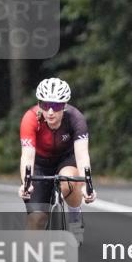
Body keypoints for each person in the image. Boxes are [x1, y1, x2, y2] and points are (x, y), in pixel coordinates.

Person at [18, 78, 96, 236]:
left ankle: (75, 217)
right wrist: (26, 185)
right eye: (45, 105)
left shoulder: (76, 118)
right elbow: (27, 157)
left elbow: (82, 157)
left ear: (65, 105)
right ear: (40, 104)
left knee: (67, 180)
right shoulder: (30, 119)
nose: (50, 111)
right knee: (37, 219)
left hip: (65, 160)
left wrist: (88, 187)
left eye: (56, 105)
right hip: (39, 163)